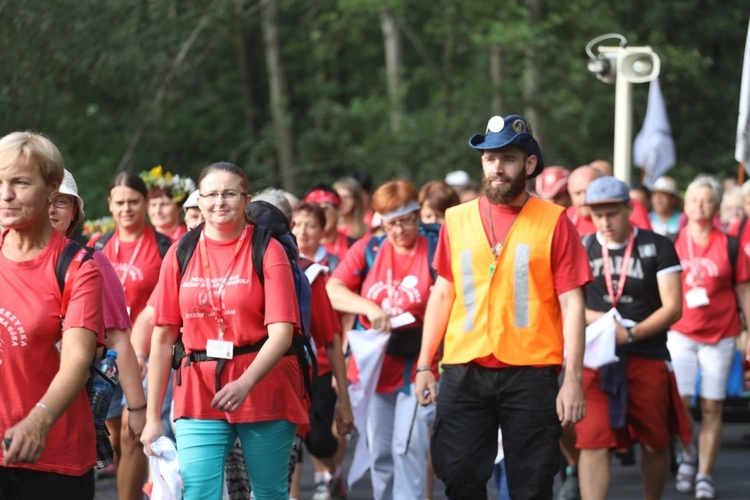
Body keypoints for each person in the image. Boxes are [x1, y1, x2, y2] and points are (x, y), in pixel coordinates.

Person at [415, 114, 591, 499]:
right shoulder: (455, 219)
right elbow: (443, 294)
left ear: (529, 164)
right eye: (489, 158)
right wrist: (425, 364)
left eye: (507, 158)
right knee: (459, 475)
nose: (497, 167)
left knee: (532, 483)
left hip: (531, 371)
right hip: (465, 367)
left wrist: (573, 379)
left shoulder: (555, 221)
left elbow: (572, 304)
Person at [141, 162, 307, 499]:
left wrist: (246, 382)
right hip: (197, 386)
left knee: (269, 493)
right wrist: (151, 417)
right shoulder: (181, 251)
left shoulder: (267, 249)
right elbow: (161, 338)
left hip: (263, 382)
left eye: (230, 193)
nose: (220, 202)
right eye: (211, 194)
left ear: (246, 200)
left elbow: (282, 334)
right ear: (198, 202)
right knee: (199, 492)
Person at [0, 131, 104, 499]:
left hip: (52, 456)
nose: (5, 194)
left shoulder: (77, 268)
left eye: (20, 182)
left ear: (52, 188)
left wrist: (38, 421)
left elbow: (77, 360)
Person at [575, 176, 686, 500]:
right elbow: (570, 303)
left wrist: (632, 334)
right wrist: (607, 325)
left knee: (655, 440)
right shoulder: (583, 247)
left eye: (612, 213)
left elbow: (673, 306)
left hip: (647, 354)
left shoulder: (658, 245)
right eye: (597, 214)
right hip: (597, 358)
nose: (605, 222)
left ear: (628, 208)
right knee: (593, 440)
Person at [327, 179, 440, 500]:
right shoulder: (369, 248)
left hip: (417, 363)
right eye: (391, 223)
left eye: (407, 220)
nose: (400, 230)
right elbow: (332, 290)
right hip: (375, 368)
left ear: (418, 216)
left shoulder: (433, 246)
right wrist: (368, 306)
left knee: (408, 447)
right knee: (379, 451)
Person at [87, 171, 171, 500]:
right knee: (113, 438)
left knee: (131, 431)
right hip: (104, 356)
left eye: (134, 201)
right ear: (109, 204)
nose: (126, 208)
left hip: (145, 356)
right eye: (119, 202)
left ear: (146, 203)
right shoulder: (98, 245)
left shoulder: (163, 246)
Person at [49, 169, 147, 447]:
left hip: (71, 400)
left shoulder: (91, 262)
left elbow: (117, 337)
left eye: (61, 201)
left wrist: (138, 409)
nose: (51, 210)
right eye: (46, 199)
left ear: (74, 212)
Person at [667, 175, 750, 499]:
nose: (699, 205)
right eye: (694, 200)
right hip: (681, 332)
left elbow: (744, 290)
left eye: (706, 200)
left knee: (712, 406)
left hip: (720, 334)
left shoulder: (729, 243)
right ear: (685, 206)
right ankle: (688, 453)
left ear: (716, 206)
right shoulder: (673, 240)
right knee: (679, 402)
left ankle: (704, 472)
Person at [566, 165, 651, 235]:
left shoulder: (631, 207)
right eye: (577, 193)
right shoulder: (566, 219)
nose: (584, 199)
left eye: (588, 191)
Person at [141, 165, 196, 242]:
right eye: (153, 205)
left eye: (164, 204)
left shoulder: (190, 239)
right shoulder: (143, 239)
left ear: (180, 206)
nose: (157, 211)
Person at [305, 184, 353, 261]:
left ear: (338, 211)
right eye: (313, 210)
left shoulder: (354, 247)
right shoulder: (296, 250)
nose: (319, 215)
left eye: (325, 209)